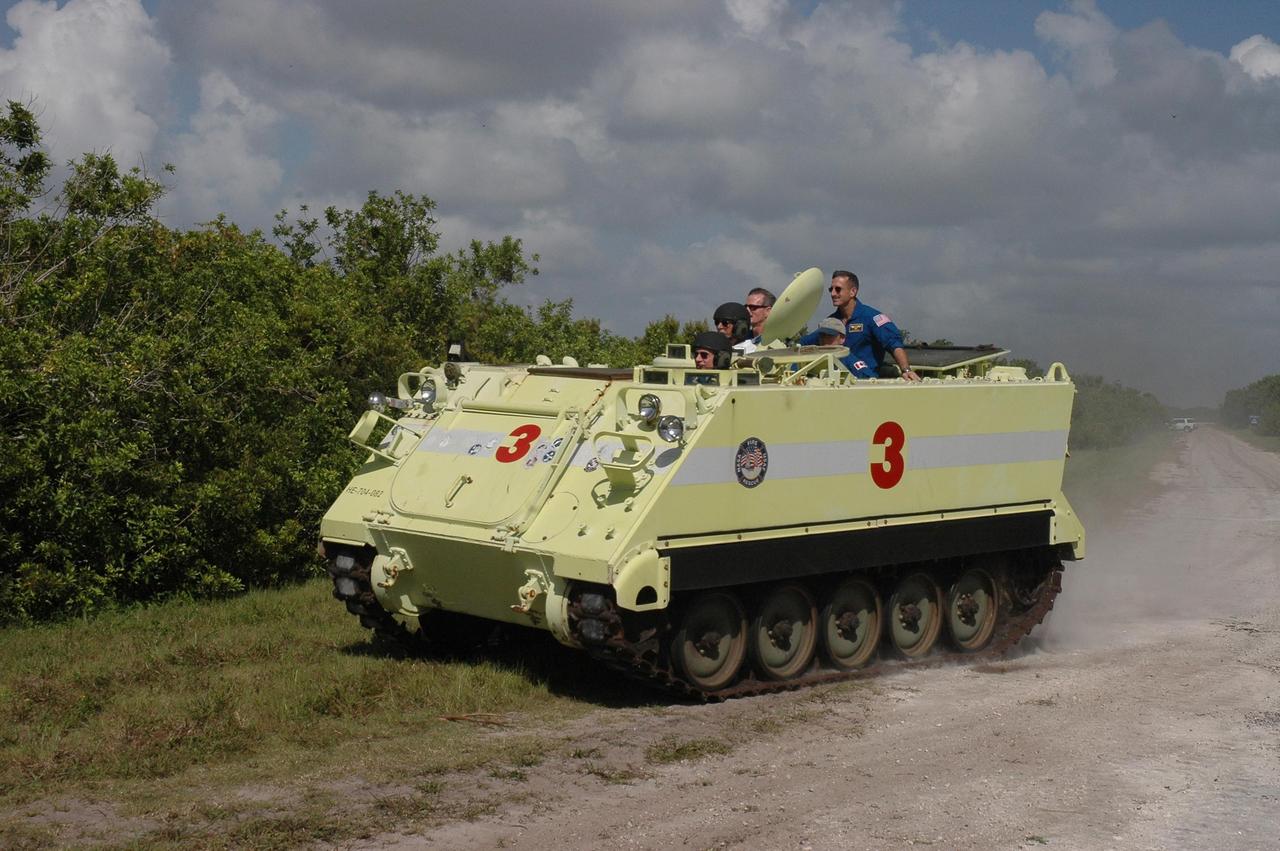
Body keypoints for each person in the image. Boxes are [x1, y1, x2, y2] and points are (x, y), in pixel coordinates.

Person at [800, 271, 919, 380]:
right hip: (836, 381)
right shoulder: (832, 322)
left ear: (853, 291)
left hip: (866, 380)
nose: (833, 293)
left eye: (838, 289)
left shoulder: (872, 318)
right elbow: (806, 343)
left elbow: (894, 344)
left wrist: (906, 370)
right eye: (831, 289)